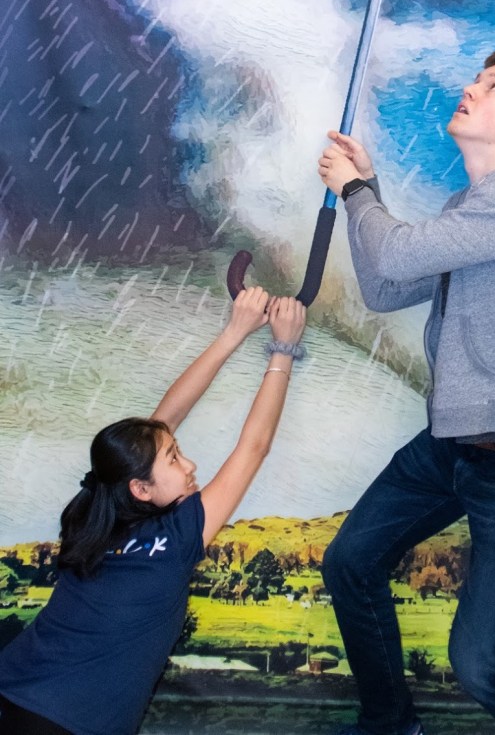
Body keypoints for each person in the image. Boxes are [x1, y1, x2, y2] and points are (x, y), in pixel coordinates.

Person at [317, 47, 495, 735]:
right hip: (455, 441)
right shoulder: (467, 208)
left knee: (483, 666)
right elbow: (385, 286)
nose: (470, 88)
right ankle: (390, 722)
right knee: (351, 562)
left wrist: (356, 191)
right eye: (476, 79)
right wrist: (367, 192)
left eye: (492, 85)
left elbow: (396, 252)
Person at [0, 287, 306, 735]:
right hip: (66, 725)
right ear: (140, 488)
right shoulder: (176, 538)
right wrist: (283, 348)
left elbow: (162, 423)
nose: (190, 465)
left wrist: (235, 331)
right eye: (175, 459)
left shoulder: (94, 507)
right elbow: (253, 447)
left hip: (13, 689)